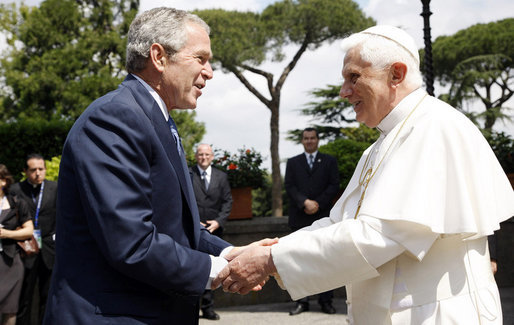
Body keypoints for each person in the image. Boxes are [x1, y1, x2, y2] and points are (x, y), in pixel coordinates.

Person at [212, 25, 514, 324]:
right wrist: (270, 249)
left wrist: (269, 260)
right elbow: (338, 224)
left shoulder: (433, 127)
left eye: (353, 77)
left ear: (396, 74)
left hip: (434, 315)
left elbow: (381, 234)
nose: (344, 92)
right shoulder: (380, 145)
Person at [43, 8, 273, 325]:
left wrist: (229, 252)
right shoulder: (113, 119)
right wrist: (223, 270)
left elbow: (177, 229)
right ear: (159, 56)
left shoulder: (155, 120)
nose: (210, 72)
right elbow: (132, 242)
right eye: (201, 58)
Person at [284, 128, 339, 315]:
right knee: (299, 260)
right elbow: (289, 186)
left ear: (317, 140)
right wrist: (304, 202)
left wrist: (318, 203)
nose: (309, 141)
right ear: (302, 141)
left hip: (323, 216)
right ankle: (302, 302)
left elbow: (334, 185)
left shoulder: (330, 161)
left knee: (325, 260)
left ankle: (326, 302)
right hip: (299, 217)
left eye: (312, 138)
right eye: (306, 139)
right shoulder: (293, 163)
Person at [9, 154, 57, 325]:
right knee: (25, 295)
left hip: (49, 249)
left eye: (41, 169)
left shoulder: (54, 188)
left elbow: (62, 216)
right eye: (33, 170)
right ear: (25, 171)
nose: (38, 173)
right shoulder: (16, 190)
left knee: (47, 294)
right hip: (25, 248)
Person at [190, 143, 233, 320]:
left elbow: (228, 201)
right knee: (193, 268)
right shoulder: (188, 173)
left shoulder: (221, 177)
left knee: (213, 268)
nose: (204, 157)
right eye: (200, 154)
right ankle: (191, 309)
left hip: (214, 231)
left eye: (207, 154)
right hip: (192, 230)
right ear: (196, 156)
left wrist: (218, 221)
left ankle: (208, 308)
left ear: (212, 156)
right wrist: (193, 220)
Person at [0, 164, 34, 325]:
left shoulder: (16, 203)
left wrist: (7, 234)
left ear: (4, 181)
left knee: (10, 308)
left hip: (11, 261)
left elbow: (29, 231)